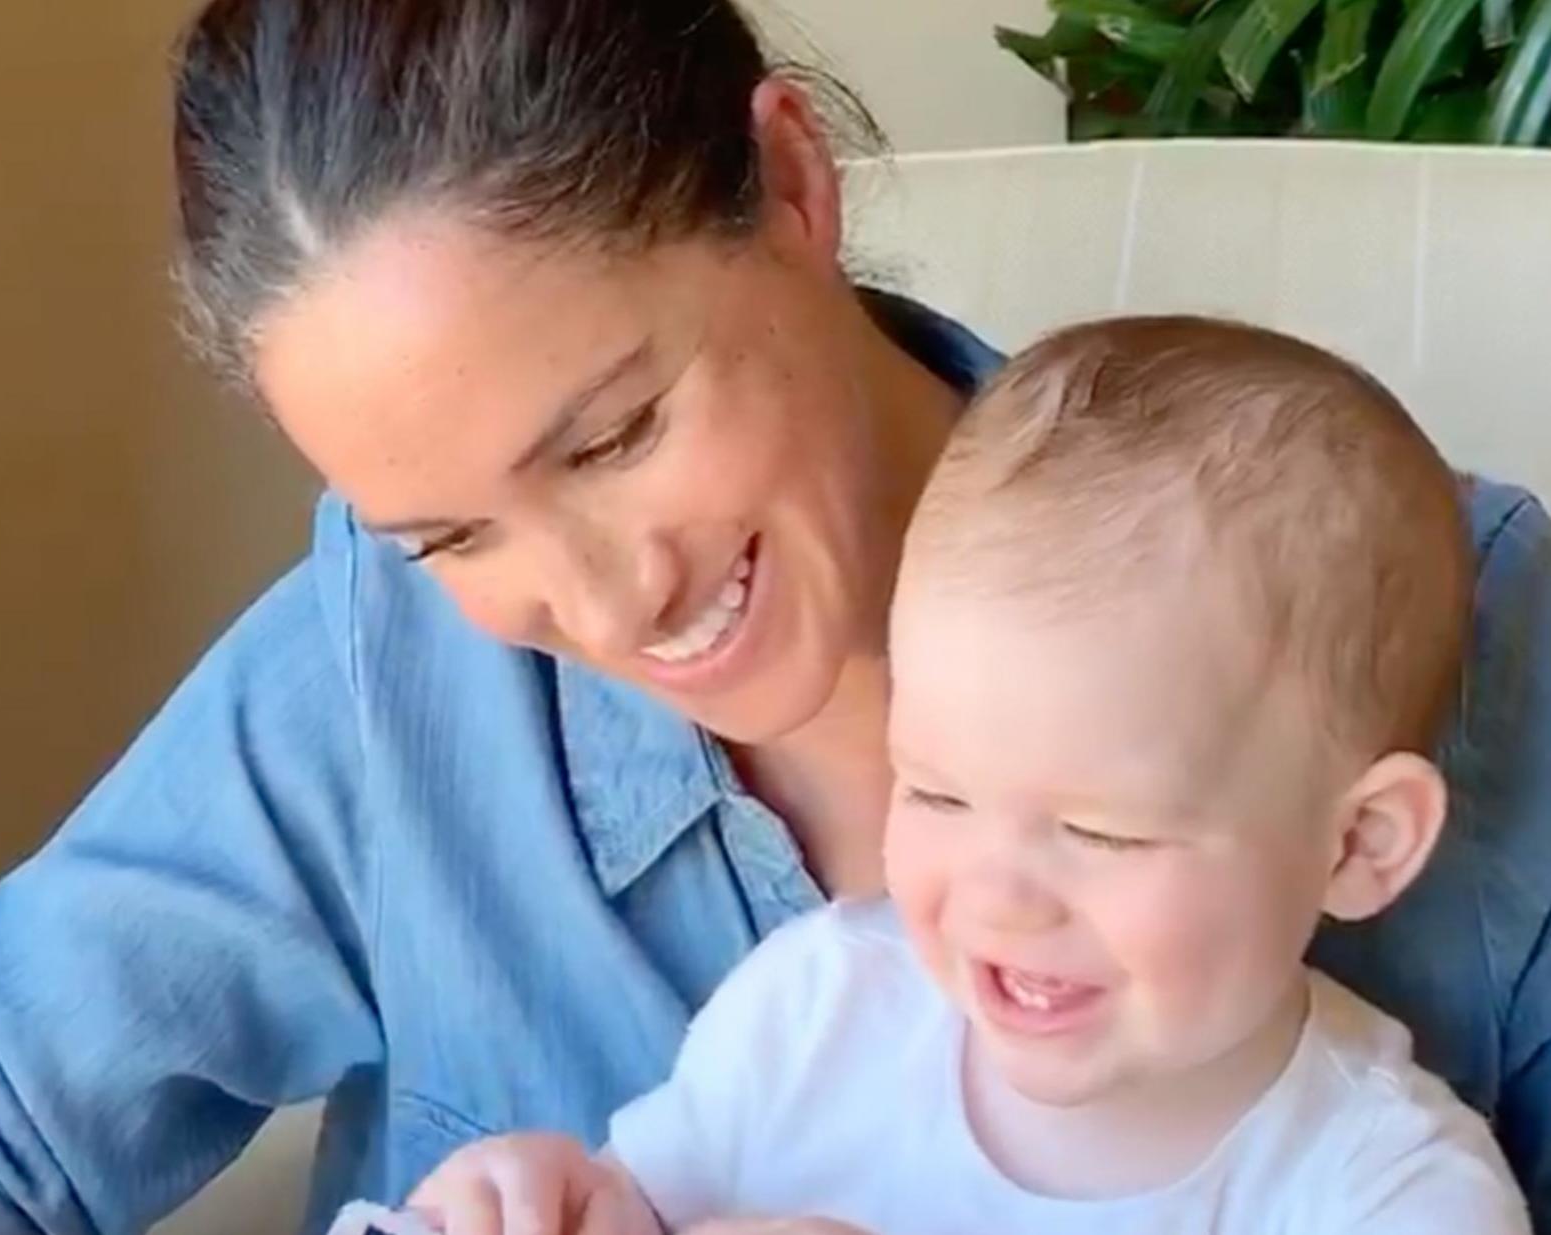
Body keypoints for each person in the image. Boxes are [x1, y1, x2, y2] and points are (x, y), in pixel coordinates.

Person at [0, 0, 1548, 1231]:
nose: (612, 604)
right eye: (448, 534)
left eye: (615, 435)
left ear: (786, 184)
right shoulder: (384, 672)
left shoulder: (1473, 643)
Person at [406, 317, 1530, 1235]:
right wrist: (543, 1205)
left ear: (1359, 841)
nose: (992, 895)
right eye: (935, 791)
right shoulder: (815, 1011)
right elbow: (631, 1204)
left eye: (1098, 830)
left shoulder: (1387, 1192)